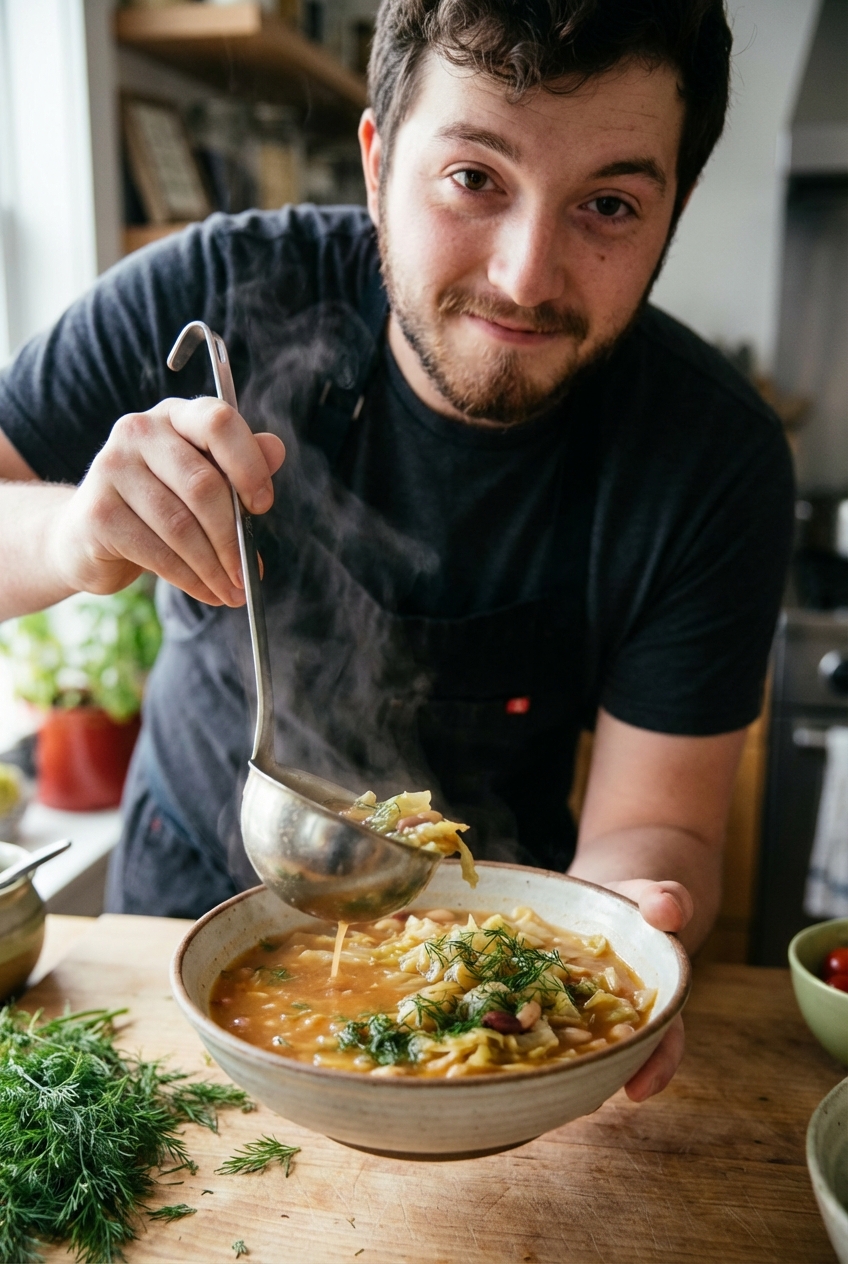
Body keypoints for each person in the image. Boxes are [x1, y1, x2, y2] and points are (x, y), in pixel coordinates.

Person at [0, 0, 793, 1102]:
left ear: (674, 211)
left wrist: (615, 943)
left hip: (492, 1000)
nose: (524, 275)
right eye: (473, 177)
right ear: (375, 160)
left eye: (607, 204)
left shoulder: (711, 458)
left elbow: (651, 822)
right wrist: (71, 530)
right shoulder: (209, 292)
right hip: (161, 938)